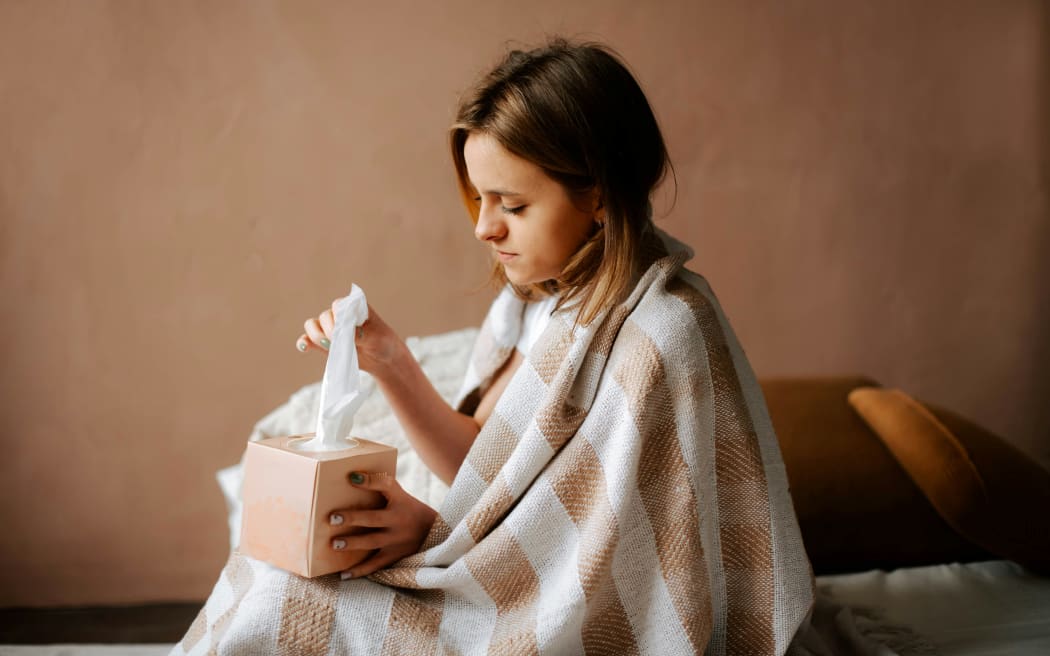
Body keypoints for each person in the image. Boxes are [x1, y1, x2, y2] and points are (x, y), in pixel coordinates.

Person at [181, 38, 823, 655]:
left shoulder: (665, 333)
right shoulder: (536, 301)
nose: (484, 227)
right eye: (479, 197)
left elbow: (607, 557)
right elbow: (487, 471)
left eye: (511, 205)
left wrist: (436, 535)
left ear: (598, 195)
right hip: (485, 571)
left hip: (532, 611)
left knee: (279, 603)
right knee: (269, 576)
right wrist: (390, 363)